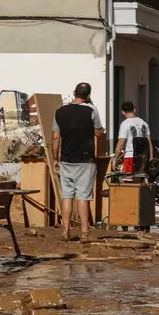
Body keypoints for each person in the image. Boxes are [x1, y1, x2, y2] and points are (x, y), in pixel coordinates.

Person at [53, 82, 105, 242]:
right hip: (85, 160)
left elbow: (55, 137)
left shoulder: (59, 111)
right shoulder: (92, 110)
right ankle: (84, 233)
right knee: (83, 196)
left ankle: (65, 231)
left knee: (67, 196)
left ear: (74, 92)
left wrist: (55, 158)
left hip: (66, 160)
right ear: (88, 95)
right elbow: (98, 132)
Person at [113, 101, 153, 175]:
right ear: (134, 110)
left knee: (130, 182)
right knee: (141, 181)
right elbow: (149, 142)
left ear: (123, 112)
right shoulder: (144, 123)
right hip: (143, 157)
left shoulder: (125, 124)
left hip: (130, 157)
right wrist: (151, 157)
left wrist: (115, 158)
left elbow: (121, 142)